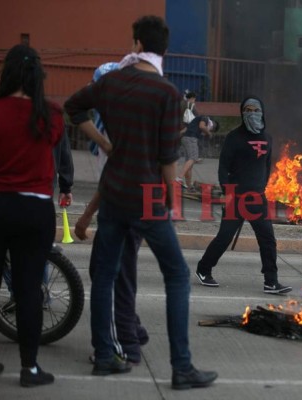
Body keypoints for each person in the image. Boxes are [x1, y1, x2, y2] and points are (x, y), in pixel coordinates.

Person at [64, 15, 217, 389]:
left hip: (115, 193)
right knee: (178, 276)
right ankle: (181, 367)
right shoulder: (166, 93)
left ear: (135, 43)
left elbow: (72, 109)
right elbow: (168, 158)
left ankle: (105, 355)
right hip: (147, 197)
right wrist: (170, 200)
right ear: (164, 49)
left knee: (106, 274)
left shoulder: (112, 81)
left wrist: (102, 143)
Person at [0, 44, 61, 387]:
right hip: (33, 210)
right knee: (28, 289)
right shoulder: (50, 115)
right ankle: (29, 368)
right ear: (38, 79)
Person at [74, 61, 149, 366]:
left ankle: (122, 344)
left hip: (125, 210)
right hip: (132, 207)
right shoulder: (120, 123)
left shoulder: (116, 130)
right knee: (114, 273)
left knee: (111, 275)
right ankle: (133, 327)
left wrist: (85, 215)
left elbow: (109, 182)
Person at [195, 96, 293, 295]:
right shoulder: (234, 137)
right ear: (242, 112)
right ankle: (203, 269)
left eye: (255, 110)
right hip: (236, 197)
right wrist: (227, 191)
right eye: (247, 110)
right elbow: (223, 168)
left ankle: (271, 281)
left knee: (267, 239)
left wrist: (262, 187)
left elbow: (266, 166)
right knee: (224, 237)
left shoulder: (267, 138)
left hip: (257, 198)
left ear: (262, 112)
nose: (251, 113)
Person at [176, 115, 219, 192]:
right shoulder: (205, 118)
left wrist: (178, 134)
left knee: (189, 164)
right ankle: (179, 177)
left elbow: (185, 129)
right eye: (211, 129)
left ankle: (189, 187)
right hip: (191, 139)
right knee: (193, 158)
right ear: (213, 126)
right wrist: (209, 133)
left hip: (185, 139)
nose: (209, 130)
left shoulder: (195, 121)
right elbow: (202, 126)